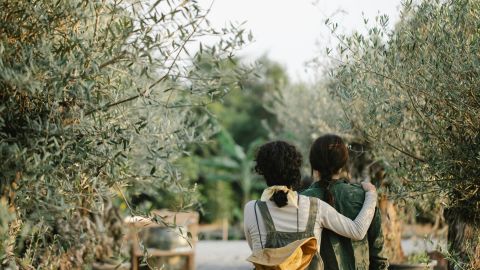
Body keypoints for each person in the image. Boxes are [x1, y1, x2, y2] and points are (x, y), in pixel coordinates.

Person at [244, 140, 378, 269]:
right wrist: (371, 194)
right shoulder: (314, 207)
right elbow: (358, 231)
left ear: (262, 171)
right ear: (296, 171)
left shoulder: (252, 209)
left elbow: (257, 253)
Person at [301, 134, 389, 270]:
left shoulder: (302, 201)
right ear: (343, 163)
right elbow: (378, 256)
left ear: (313, 164)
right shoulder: (365, 197)